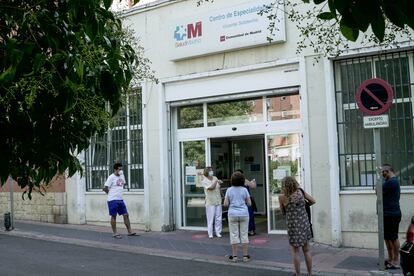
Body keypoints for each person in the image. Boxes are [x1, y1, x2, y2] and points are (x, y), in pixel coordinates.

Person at [279, 176, 315, 276]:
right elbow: (313, 201)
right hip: (304, 224)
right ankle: (310, 273)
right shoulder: (301, 192)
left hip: (293, 227)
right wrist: (304, 206)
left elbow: (283, 212)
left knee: (295, 251)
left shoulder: (282, 196)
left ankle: (298, 274)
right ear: (294, 183)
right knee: (307, 250)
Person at [103, 162, 137, 239]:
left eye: (121, 169)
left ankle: (130, 232)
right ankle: (115, 233)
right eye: (119, 169)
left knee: (126, 215)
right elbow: (105, 188)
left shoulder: (122, 176)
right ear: (115, 169)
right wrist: (110, 194)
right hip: (112, 200)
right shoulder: (111, 177)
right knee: (113, 216)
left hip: (120, 199)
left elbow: (122, 185)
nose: (121, 171)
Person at [224, 171, 252, 263]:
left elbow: (225, 204)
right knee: (244, 234)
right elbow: (249, 203)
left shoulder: (229, 190)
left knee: (234, 235)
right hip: (244, 214)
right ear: (242, 180)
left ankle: (234, 256)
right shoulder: (244, 190)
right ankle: (245, 256)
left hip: (232, 214)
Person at [381, 164, 401, 270]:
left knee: (393, 237)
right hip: (387, 213)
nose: (382, 174)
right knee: (387, 238)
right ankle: (390, 259)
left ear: (388, 171)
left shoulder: (392, 182)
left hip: (392, 214)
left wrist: (379, 182)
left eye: (383, 172)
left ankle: (396, 261)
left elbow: (377, 191)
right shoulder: (388, 182)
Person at [201, 166, 223, 239]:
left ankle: (218, 232)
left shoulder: (215, 177)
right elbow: (211, 188)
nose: (212, 171)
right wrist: (216, 182)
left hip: (218, 200)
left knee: (218, 217)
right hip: (210, 201)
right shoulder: (204, 181)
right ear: (207, 172)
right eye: (210, 170)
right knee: (210, 218)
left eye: (212, 170)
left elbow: (218, 188)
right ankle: (210, 233)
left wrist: (222, 194)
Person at [235, 169, 257, 236]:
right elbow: (253, 186)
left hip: (238, 201)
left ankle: (242, 231)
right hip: (247, 201)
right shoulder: (245, 180)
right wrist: (254, 181)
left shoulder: (234, 182)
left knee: (240, 216)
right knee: (249, 215)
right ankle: (251, 230)